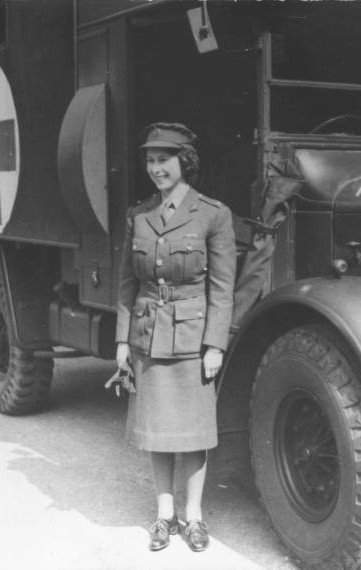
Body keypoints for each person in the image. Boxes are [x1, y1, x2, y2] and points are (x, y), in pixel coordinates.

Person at [114, 122, 236, 552]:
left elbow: (222, 287)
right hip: (148, 334)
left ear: (185, 161)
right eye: (150, 160)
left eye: (163, 159)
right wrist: (122, 341)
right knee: (157, 429)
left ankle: (194, 517)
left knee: (194, 434)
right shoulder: (138, 215)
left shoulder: (213, 214)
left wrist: (215, 345)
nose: (155, 168)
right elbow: (127, 281)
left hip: (192, 336)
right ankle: (164, 516)